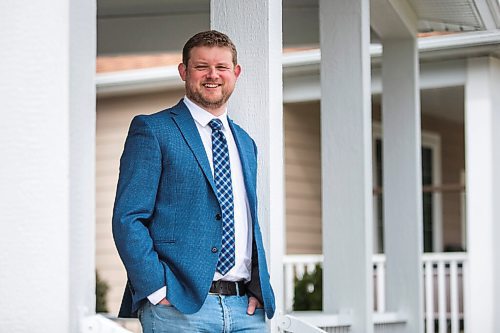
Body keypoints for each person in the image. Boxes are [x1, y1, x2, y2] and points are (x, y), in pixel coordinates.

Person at [112, 30, 275, 332]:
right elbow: (128, 218)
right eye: (202, 67)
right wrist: (157, 289)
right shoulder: (153, 130)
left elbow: (247, 221)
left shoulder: (246, 143)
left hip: (245, 312)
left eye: (222, 67)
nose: (212, 75)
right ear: (184, 71)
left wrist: (257, 287)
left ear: (235, 73)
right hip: (179, 310)